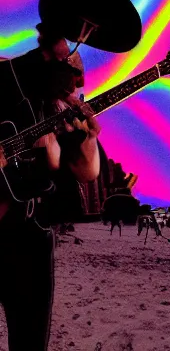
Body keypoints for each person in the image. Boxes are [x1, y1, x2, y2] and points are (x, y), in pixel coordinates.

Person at [0, 21, 101, 351]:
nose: (72, 86)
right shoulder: (7, 81)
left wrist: (87, 139)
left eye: (74, 76)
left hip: (31, 236)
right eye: (62, 62)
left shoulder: (61, 110)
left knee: (31, 339)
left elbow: (87, 171)